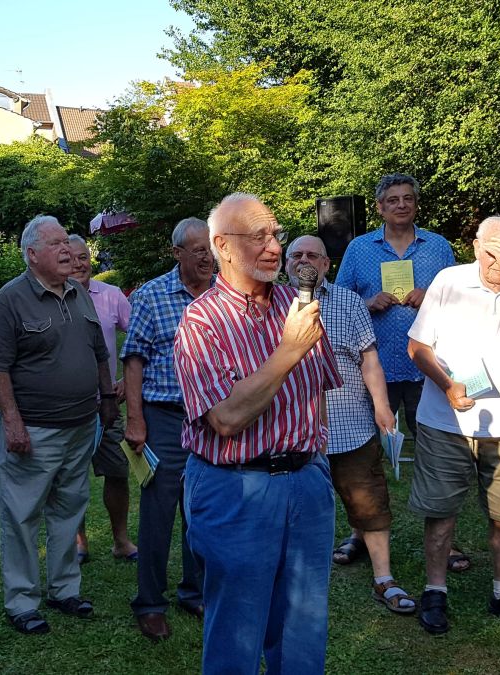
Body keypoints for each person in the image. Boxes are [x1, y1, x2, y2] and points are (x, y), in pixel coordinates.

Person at [174, 193, 342, 673]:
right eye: (259, 237)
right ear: (223, 247)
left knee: (303, 627)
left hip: (306, 483)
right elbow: (226, 419)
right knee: (237, 629)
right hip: (236, 489)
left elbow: (319, 388)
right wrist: (288, 350)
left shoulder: (298, 304)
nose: (274, 248)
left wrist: (316, 457)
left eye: (276, 234)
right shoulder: (201, 321)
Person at [406, 216, 500, 635]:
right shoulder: (449, 281)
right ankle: (435, 590)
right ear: (475, 247)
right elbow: (417, 346)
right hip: (445, 421)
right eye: (490, 251)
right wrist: (447, 385)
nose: (496, 261)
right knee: (440, 512)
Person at [0, 215, 117, 635]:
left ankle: (64, 589)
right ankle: (22, 601)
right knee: (22, 515)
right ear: (32, 254)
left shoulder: (78, 293)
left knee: (69, 510)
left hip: (81, 426)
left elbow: (99, 353)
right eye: (57, 244)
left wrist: (107, 398)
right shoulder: (10, 299)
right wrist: (12, 422)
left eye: (67, 242)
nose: (68, 250)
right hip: (35, 430)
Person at [335, 173, 468, 570]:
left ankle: (446, 541)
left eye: (407, 198)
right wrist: (367, 301)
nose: (401, 205)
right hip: (374, 368)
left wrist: (434, 295)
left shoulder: (438, 246)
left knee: (437, 453)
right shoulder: (359, 248)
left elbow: (462, 298)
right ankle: (360, 532)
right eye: (392, 200)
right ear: (380, 207)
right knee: (364, 457)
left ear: (416, 204)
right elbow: (338, 299)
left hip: (428, 368)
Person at [285, 235, 413, 613]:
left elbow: (369, 359)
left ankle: (383, 578)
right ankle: (295, 580)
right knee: (296, 509)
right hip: (293, 430)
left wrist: (382, 407)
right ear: (284, 263)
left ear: (327, 264)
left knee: (369, 500)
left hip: (350, 425)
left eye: (313, 255)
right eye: (296, 255)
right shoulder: (271, 305)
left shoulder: (349, 301)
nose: (304, 261)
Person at [123, 217, 213, 641]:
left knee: (203, 508)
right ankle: (150, 603)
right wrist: (135, 419)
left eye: (211, 248)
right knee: (159, 513)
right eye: (198, 250)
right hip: (165, 418)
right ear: (177, 253)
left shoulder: (225, 292)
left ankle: (195, 591)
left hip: (213, 419)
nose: (207, 257)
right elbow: (133, 360)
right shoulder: (151, 295)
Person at [67, 235, 138, 563]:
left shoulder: (111, 296)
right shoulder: (53, 298)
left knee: (117, 471)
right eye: (70, 258)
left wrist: (125, 381)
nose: (78, 264)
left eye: (83, 257)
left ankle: (121, 541)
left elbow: (139, 340)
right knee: (72, 477)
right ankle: (79, 542)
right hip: (70, 408)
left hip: (107, 405)